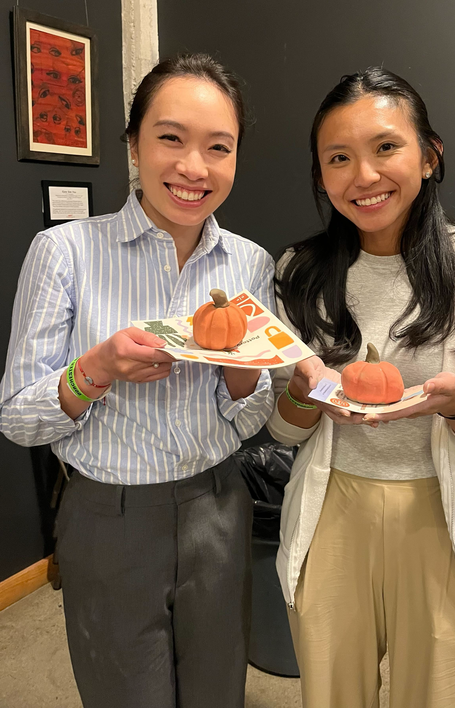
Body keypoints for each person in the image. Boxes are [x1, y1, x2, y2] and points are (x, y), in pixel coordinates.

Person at [0, 53, 274, 708]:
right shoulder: (65, 253)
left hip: (218, 506)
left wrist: (242, 375)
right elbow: (17, 416)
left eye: (218, 147)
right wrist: (96, 369)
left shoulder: (249, 263)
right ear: (133, 143)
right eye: (170, 138)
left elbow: (251, 413)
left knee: (216, 691)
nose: (193, 168)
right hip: (108, 516)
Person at [267, 67, 455, 708]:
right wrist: (306, 393)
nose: (363, 176)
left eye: (385, 147)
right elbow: (282, 432)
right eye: (338, 158)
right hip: (331, 511)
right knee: (334, 694)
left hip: (445, 521)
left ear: (429, 154)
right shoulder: (296, 275)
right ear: (320, 175)